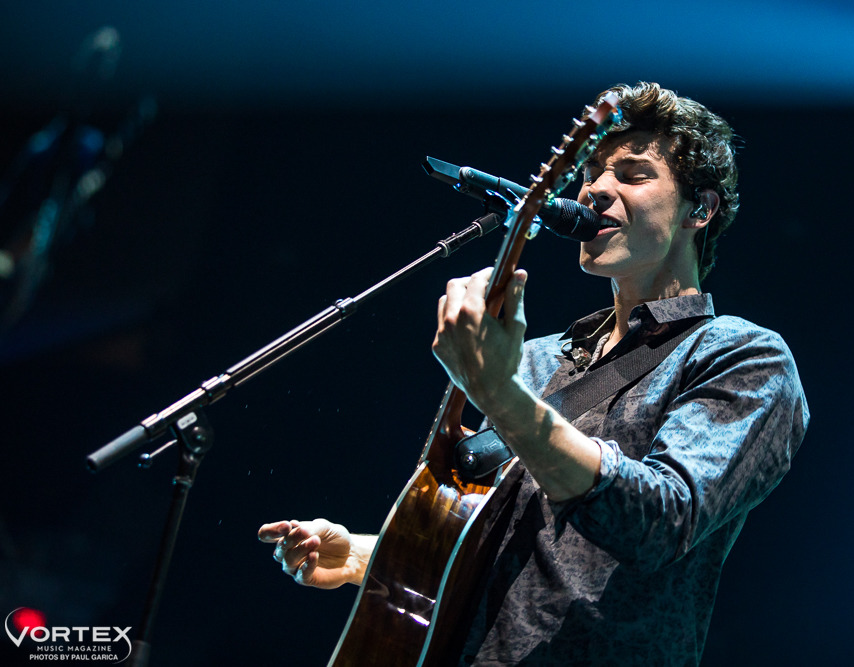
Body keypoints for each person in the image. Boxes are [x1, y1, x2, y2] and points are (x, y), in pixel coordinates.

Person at [258, 82, 809, 665]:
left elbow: (658, 522)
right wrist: (374, 559)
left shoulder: (743, 356)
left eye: (633, 173)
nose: (596, 188)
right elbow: (505, 539)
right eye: (592, 171)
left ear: (699, 209)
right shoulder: (538, 357)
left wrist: (502, 396)